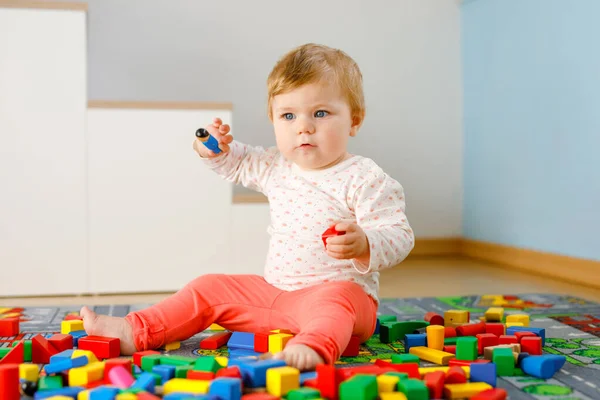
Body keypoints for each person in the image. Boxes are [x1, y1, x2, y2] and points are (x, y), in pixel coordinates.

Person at [80, 43, 415, 371]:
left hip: (343, 298)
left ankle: (313, 347)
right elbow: (236, 161)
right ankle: (136, 330)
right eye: (288, 115)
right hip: (273, 295)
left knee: (335, 300)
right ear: (273, 120)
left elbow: (398, 235)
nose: (304, 127)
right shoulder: (275, 165)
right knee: (209, 285)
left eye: (320, 113)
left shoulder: (365, 177)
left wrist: (366, 243)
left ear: (354, 121)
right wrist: (211, 147)